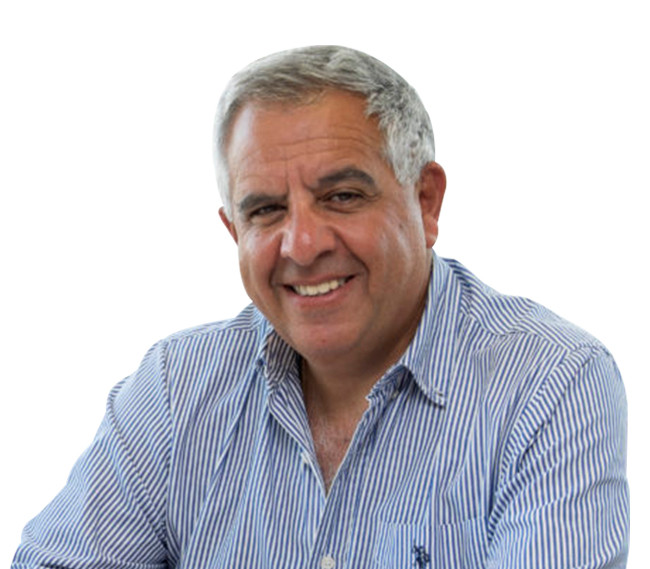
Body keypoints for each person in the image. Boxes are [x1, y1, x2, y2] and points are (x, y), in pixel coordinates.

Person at [13, 45, 629, 568]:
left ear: (426, 201)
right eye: (266, 210)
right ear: (234, 232)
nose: (302, 246)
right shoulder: (176, 389)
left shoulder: (550, 384)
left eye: (342, 196)